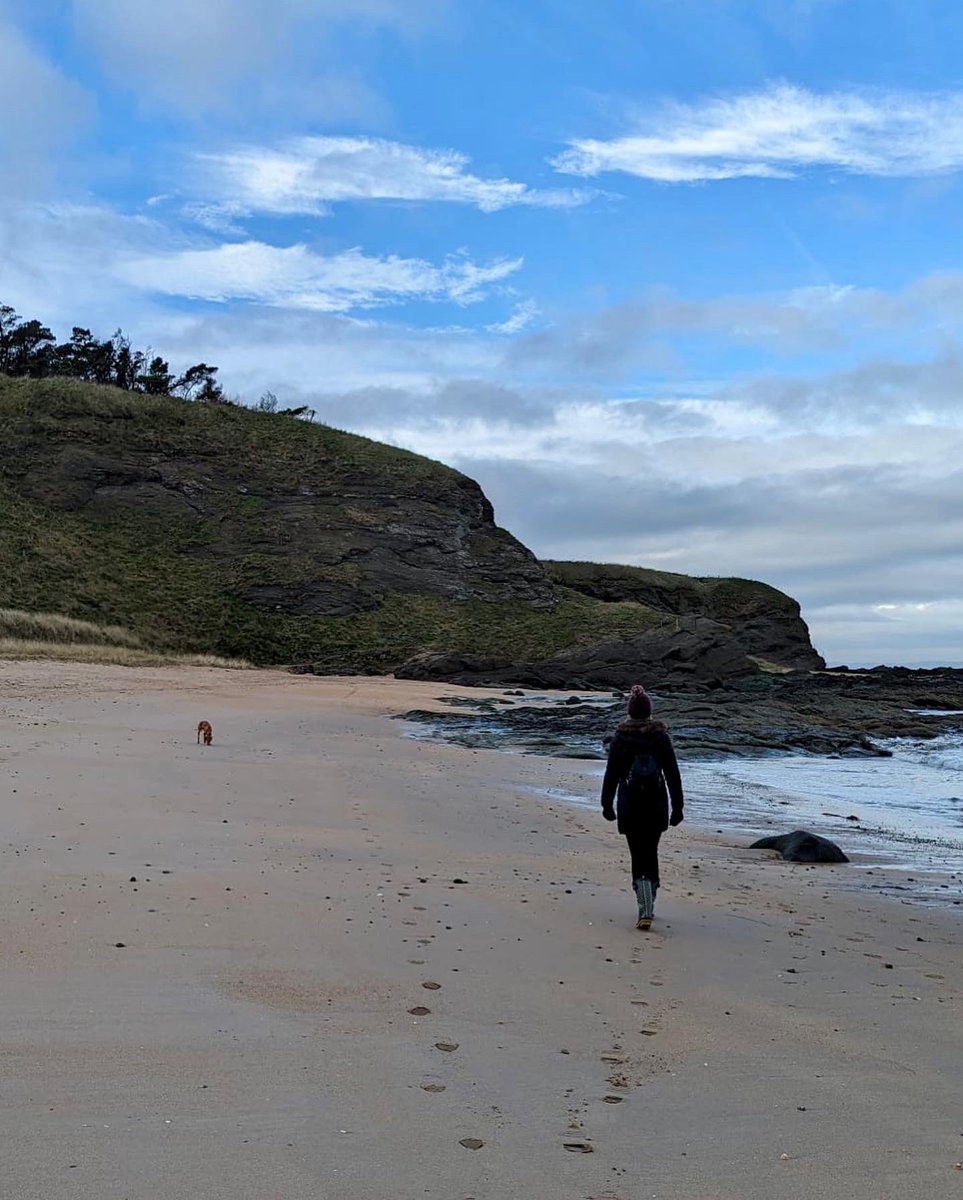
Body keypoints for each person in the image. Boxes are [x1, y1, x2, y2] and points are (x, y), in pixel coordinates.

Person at [600, 684, 684, 929]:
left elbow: (611, 774)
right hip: (656, 805)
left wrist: (606, 804)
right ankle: (650, 896)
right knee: (651, 851)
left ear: (629, 712)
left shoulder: (620, 738)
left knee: (637, 854)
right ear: (649, 712)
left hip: (630, 805)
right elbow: (672, 774)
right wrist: (678, 807)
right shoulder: (660, 737)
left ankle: (644, 904)